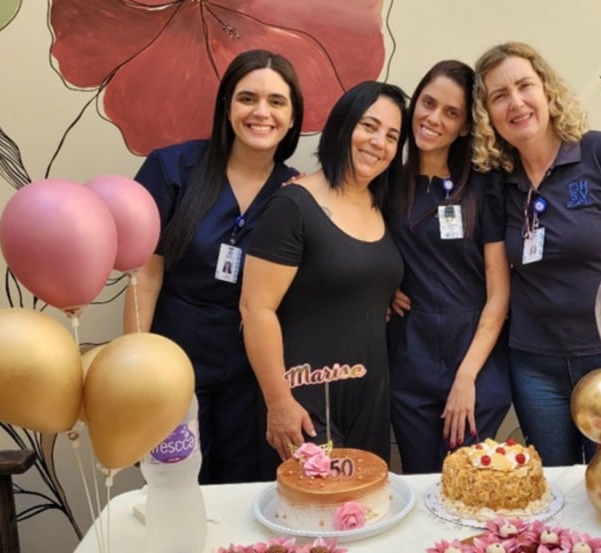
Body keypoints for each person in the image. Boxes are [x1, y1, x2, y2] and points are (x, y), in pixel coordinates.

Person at [472, 42, 601, 466]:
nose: (516, 102)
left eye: (524, 86)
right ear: (487, 115)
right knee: (553, 485)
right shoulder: (499, 183)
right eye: (499, 95)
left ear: (547, 90)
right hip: (534, 367)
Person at [124, 49, 304, 484]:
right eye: (247, 98)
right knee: (175, 484)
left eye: (276, 102)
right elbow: (144, 275)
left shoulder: (296, 191)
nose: (261, 112)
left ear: (292, 117)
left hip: (249, 365)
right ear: (226, 106)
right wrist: (134, 368)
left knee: (243, 487)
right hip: (174, 354)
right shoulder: (172, 168)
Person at [240, 81, 408, 469]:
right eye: (369, 126)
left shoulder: (381, 204)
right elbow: (255, 309)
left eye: (391, 136)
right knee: (313, 505)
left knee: (365, 502)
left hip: (369, 400)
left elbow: (355, 275)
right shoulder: (293, 205)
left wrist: (384, 291)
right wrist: (279, 401)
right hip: (305, 398)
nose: (378, 142)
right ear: (342, 126)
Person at [387, 60, 511, 473]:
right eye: (428, 103)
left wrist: (466, 377)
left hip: (475, 359)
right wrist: (381, 286)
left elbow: (499, 293)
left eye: (451, 112)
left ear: (464, 127)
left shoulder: (484, 186)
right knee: (422, 482)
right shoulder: (386, 182)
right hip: (411, 358)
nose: (433, 118)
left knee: (467, 485)